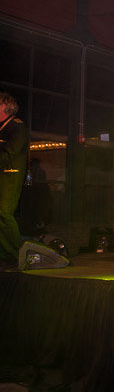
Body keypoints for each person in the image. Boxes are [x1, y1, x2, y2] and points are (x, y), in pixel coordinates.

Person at [0, 92, 29, 267]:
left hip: (10, 177)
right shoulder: (3, 127)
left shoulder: (17, 128)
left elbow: (9, 152)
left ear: (5, 107)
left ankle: (16, 254)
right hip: (2, 176)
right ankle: (7, 255)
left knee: (4, 212)